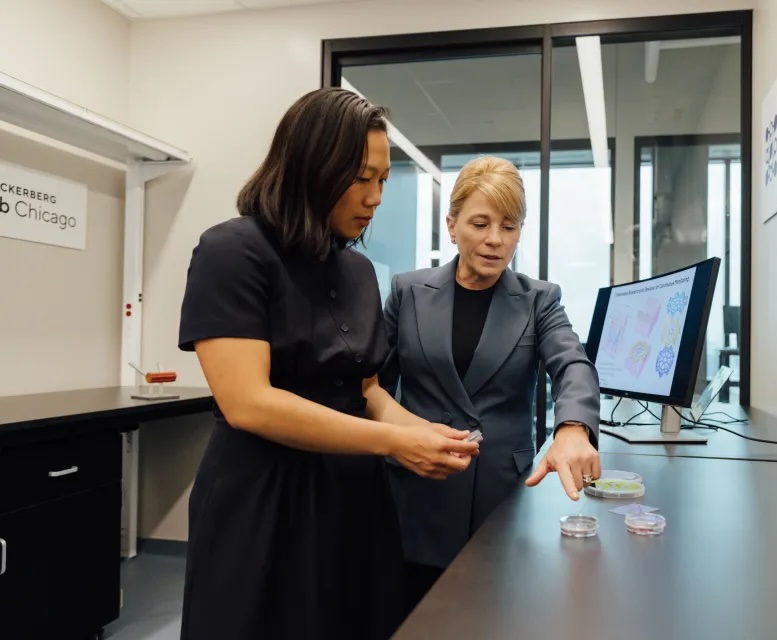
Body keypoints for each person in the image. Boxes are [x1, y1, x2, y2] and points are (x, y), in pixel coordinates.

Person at [175, 87, 479, 640]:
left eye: (384, 181)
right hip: (263, 499)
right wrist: (392, 444)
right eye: (362, 178)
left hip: (351, 496)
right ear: (312, 166)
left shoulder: (359, 272)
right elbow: (249, 403)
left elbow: (366, 391)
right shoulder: (232, 252)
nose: (376, 196)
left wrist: (426, 432)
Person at [379, 155, 602, 615]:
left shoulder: (539, 299)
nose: (495, 240)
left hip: (500, 497)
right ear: (452, 223)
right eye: (480, 223)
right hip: (417, 492)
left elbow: (572, 364)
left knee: (493, 615)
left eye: (509, 226)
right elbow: (373, 386)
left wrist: (574, 427)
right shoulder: (408, 292)